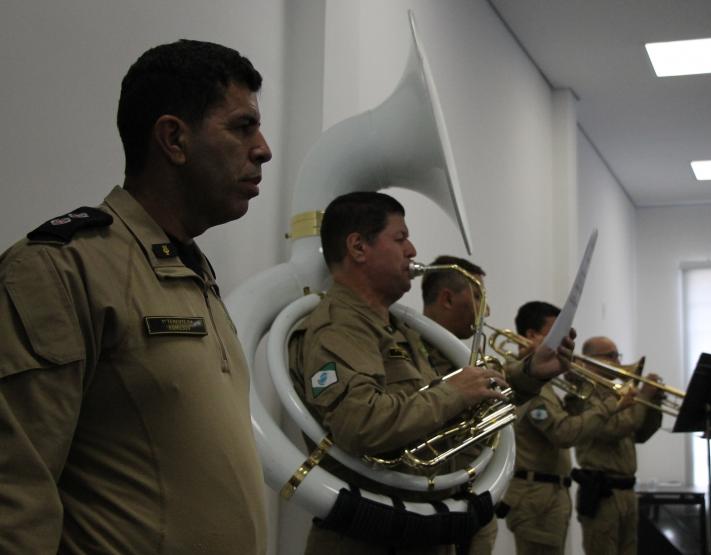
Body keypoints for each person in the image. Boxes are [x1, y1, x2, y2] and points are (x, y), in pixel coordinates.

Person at [0, 39, 273, 554]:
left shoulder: (191, 269)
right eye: (242, 126)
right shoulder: (62, 267)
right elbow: (15, 490)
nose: (263, 147)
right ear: (174, 139)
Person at [287, 192, 575, 555]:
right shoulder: (338, 326)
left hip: (420, 526)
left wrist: (531, 373)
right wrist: (453, 392)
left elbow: (463, 412)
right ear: (358, 247)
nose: (412, 250)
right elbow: (358, 422)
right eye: (400, 238)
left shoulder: (401, 328)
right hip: (369, 538)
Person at [500, 302, 624, 555]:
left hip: (551, 494)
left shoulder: (544, 383)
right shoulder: (523, 382)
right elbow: (564, 433)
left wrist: (576, 394)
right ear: (533, 336)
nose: (565, 342)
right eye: (556, 333)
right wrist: (613, 402)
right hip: (536, 498)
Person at [421, 254, 498, 555]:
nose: (487, 310)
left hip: (475, 504)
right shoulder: (409, 352)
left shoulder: (465, 360)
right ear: (447, 299)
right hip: (433, 510)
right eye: (478, 296)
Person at [571, 336, 664, 555]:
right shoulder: (583, 394)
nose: (618, 361)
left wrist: (653, 404)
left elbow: (639, 433)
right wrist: (643, 396)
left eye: (617, 355)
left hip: (627, 491)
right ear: (590, 361)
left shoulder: (619, 392)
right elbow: (613, 429)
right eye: (610, 356)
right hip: (602, 492)